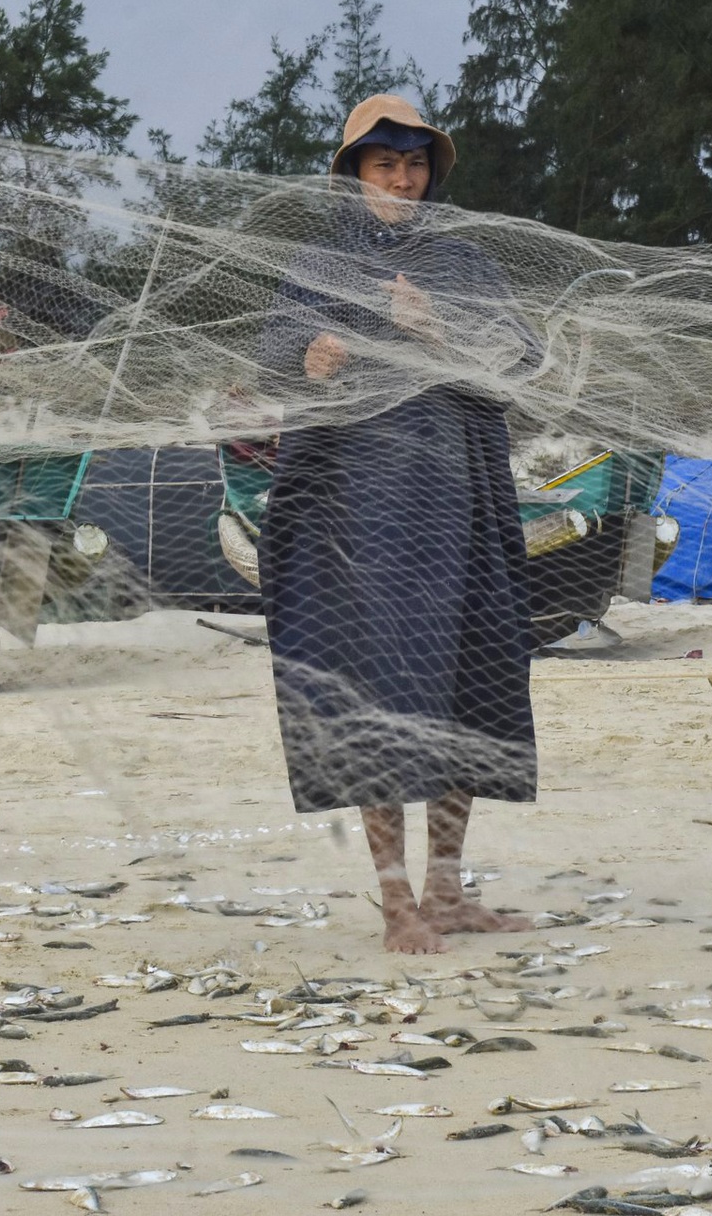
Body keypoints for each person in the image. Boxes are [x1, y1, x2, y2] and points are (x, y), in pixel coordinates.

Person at [257, 94, 541, 954]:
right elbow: (272, 352)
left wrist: (438, 328)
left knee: (469, 679)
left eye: (415, 165)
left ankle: (447, 890)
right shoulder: (318, 263)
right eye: (385, 166)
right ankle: (395, 903)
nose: (403, 179)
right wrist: (309, 356)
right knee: (377, 689)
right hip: (359, 519)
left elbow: (520, 358)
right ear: (354, 175)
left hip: (460, 504)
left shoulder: (460, 262)